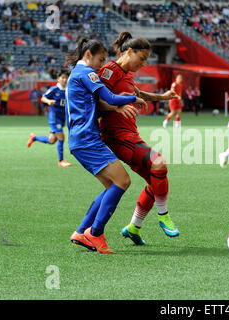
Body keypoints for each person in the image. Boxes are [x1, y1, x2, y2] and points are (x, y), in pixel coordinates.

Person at [65, 37, 147, 254]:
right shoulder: (86, 73)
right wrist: (131, 99)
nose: (101, 66)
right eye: (100, 60)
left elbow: (101, 104)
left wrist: (119, 105)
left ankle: (82, 231)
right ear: (88, 55)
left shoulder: (77, 74)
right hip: (86, 139)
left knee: (113, 185)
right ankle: (96, 233)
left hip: (81, 139)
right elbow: (108, 96)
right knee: (123, 180)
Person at [98, 31, 180, 245]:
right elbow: (96, 101)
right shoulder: (109, 71)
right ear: (130, 51)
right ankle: (163, 216)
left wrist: (161, 97)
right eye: (141, 59)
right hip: (116, 136)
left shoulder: (126, 74)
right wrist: (117, 107)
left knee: (157, 179)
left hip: (130, 135)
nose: (143, 64)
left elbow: (136, 92)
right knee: (159, 163)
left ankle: (134, 227)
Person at [26, 69, 72, 167]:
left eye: (66, 78)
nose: (65, 79)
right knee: (61, 137)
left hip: (62, 118)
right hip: (54, 118)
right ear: (58, 79)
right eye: (63, 77)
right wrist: (49, 101)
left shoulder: (69, 90)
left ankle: (34, 138)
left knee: (52, 140)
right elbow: (43, 97)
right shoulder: (54, 89)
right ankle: (61, 161)